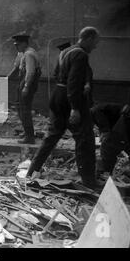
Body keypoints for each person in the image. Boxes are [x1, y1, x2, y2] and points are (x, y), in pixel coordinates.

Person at [26, 27, 101, 189]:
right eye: (95, 42)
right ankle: (89, 181)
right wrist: (75, 107)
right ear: (88, 38)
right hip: (71, 98)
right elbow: (73, 82)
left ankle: (31, 172)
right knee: (85, 140)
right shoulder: (80, 54)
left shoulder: (66, 51)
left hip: (58, 95)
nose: (96, 46)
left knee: (51, 137)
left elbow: (56, 74)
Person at [91, 103, 130, 175]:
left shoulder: (94, 111)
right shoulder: (100, 112)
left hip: (129, 118)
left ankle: (106, 174)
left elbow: (106, 132)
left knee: (107, 147)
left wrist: (104, 133)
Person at [7, 33, 41, 144]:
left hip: (27, 83)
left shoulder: (29, 54)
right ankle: (27, 132)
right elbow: (17, 67)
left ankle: (29, 137)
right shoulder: (23, 53)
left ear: (24, 43)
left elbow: (30, 72)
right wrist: (7, 78)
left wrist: (26, 87)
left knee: (25, 110)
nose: (16, 46)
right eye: (15, 45)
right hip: (23, 82)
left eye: (18, 44)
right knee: (20, 108)